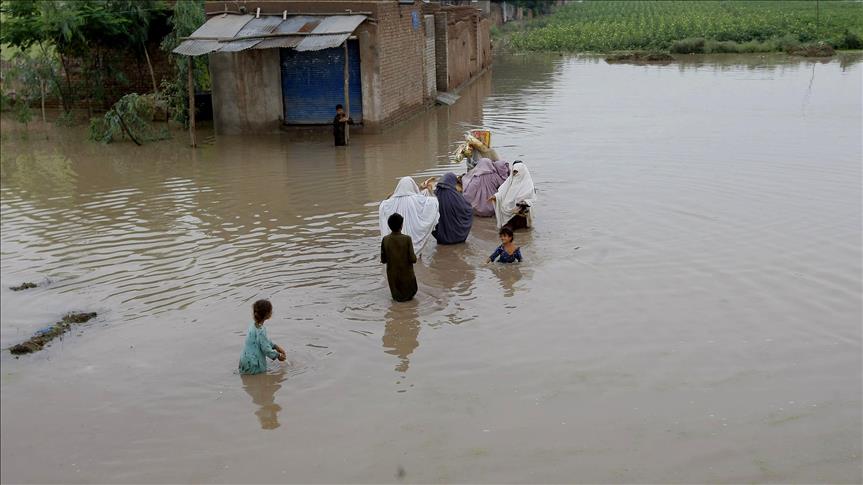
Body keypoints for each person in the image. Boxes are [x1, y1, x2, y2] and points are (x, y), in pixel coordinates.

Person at [379, 177, 440, 255]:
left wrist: (394, 193)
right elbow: (434, 202)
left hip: (397, 237)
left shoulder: (391, 202)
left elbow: (383, 204)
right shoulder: (418, 199)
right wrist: (430, 189)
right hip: (413, 235)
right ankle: (418, 256)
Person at [239, 299, 286, 375]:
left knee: (248, 382)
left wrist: (275, 346)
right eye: (271, 311)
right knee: (258, 384)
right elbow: (266, 349)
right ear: (268, 314)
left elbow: (264, 340)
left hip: (244, 361)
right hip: (254, 365)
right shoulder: (261, 331)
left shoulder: (252, 326)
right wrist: (278, 356)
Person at [381, 213, 418, 302]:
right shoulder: (407, 239)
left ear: (389, 226)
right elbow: (413, 259)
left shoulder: (385, 239)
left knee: (398, 301)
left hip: (394, 289)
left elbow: (383, 260)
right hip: (410, 287)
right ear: (401, 226)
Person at [489, 161, 536, 231]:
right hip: (507, 208)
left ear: (522, 172)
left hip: (519, 211)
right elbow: (502, 192)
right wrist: (496, 197)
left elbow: (532, 200)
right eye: (513, 171)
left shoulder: (528, 185)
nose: (514, 174)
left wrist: (523, 203)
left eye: (516, 172)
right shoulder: (510, 180)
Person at [432, 172, 473, 245]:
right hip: (457, 237)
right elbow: (468, 209)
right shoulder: (455, 195)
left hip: (441, 237)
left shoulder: (435, 193)